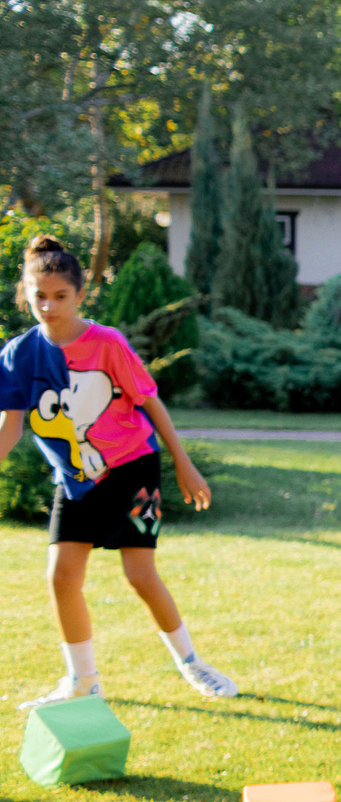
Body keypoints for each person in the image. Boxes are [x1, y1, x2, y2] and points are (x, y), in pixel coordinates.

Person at [0, 234, 236, 707]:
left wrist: (183, 464)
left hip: (133, 468)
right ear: (24, 292)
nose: (48, 306)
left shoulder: (106, 343)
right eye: (38, 296)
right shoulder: (17, 355)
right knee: (61, 576)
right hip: (76, 480)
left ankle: (194, 664)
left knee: (140, 574)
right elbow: (10, 426)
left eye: (60, 297)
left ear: (80, 295)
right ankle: (83, 682)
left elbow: (150, 401)